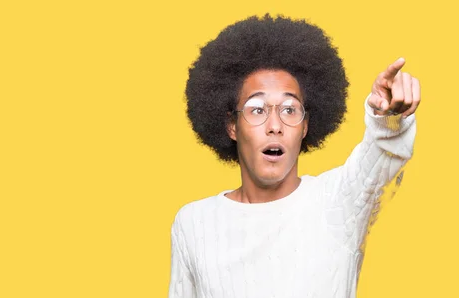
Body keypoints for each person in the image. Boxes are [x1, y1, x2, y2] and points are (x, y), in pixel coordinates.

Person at [168, 14, 420, 298]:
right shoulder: (193, 223)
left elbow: (382, 155)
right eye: (257, 109)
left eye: (289, 109)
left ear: (305, 126)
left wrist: (388, 116)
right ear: (231, 126)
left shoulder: (339, 202)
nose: (275, 125)